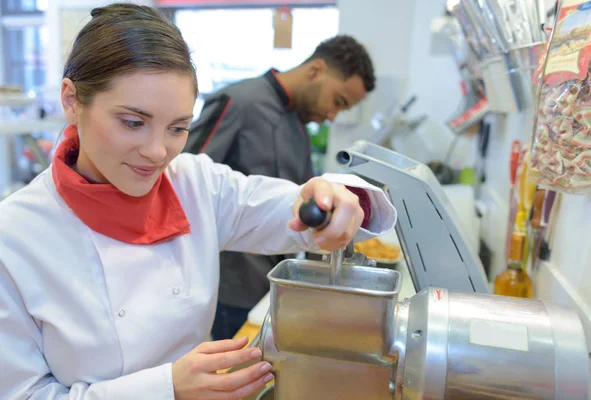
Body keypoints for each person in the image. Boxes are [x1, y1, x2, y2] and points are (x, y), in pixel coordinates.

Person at [0, 4, 396, 400]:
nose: (157, 152)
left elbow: (291, 211)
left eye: (177, 128)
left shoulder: (194, 183)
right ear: (71, 100)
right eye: (133, 123)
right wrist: (165, 388)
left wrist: (332, 201)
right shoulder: (15, 236)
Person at [183, 35, 376, 340]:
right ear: (316, 70)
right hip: (228, 287)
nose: (332, 115)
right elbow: (185, 185)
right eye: (338, 101)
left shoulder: (298, 123)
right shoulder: (240, 102)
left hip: (269, 279)